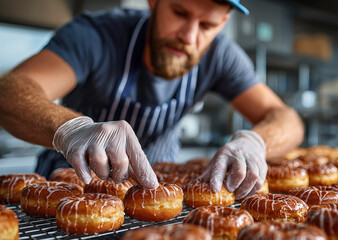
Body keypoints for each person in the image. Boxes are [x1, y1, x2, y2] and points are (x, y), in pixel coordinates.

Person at [0, 0, 304, 200]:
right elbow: (11, 91)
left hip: (159, 193)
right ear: (153, 2)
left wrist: (256, 141)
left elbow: (285, 118)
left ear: (222, 23)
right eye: (180, 13)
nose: (188, 36)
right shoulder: (96, 36)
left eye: (207, 26)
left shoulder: (220, 56)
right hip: (68, 189)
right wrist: (73, 128)